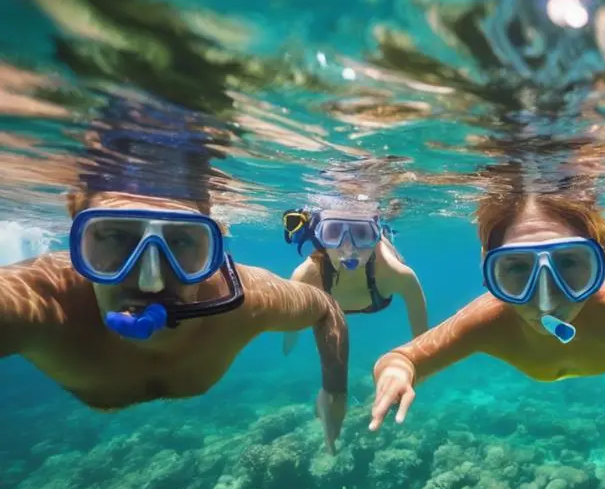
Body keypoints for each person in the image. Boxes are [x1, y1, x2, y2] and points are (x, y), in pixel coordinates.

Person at [0, 98, 352, 455]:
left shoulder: (248, 300)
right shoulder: (39, 303)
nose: (149, 282)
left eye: (182, 240)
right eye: (117, 236)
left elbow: (327, 310)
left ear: (214, 239)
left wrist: (334, 392)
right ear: (76, 224)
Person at [367, 189, 605, 430]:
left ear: (600, 264)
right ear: (489, 272)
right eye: (515, 269)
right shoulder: (487, 320)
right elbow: (403, 358)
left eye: (568, 264)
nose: (546, 299)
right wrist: (397, 371)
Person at [279, 199, 428, 354]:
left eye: (362, 233)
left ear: (374, 237)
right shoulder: (305, 276)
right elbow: (290, 331)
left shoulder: (394, 271)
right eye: (334, 232)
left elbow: (419, 325)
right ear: (319, 237)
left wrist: (421, 356)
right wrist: (286, 351)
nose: (348, 248)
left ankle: (380, 230)